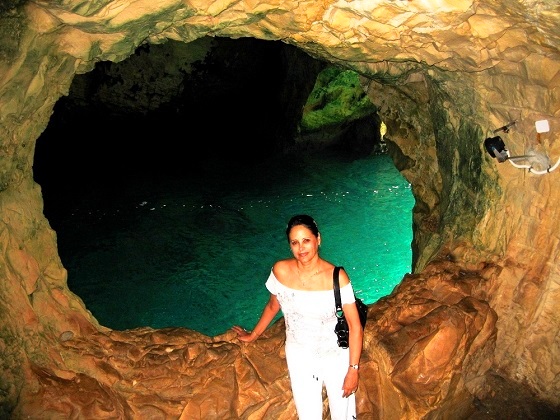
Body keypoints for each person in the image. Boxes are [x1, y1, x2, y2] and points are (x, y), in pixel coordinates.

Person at [232, 214, 364, 420]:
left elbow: (355, 326)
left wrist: (353, 370)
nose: (301, 248)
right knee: (308, 415)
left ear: (318, 239)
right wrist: (253, 335)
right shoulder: (280, 271)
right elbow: (273, 305)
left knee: (343, 414)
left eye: (306, 240)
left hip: (334, 354)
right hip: (299, 355)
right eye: (295, 242)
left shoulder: (337, 277)